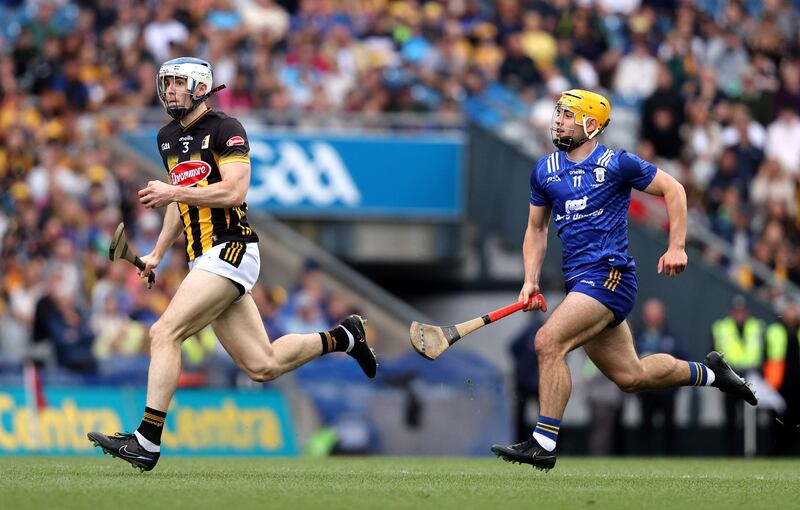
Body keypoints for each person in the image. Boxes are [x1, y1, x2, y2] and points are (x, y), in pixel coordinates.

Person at [87, 57, 377, 472]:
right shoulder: (167, 136)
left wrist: (173, 192)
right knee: (263, 365)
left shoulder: (226, 129)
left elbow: (234, 191)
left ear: (200, 87)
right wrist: (157, 252)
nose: (169, 91)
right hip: (204, 257)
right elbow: (181, 196)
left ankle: (146, 441)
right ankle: (344, 338)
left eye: (177, 84)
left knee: (163, 332)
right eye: (165, 84)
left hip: (231, 249)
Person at [490, 89, 757, 471]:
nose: (558, 120)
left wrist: (677, 245)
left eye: (568, 115)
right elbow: (536, 229)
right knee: (632, 376)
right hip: (579, 283)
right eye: (559, 113)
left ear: (591, 125)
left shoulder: (617, 163)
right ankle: (714, 374)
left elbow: (674, 189)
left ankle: (544, 442)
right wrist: (530, 279)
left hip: (610, 276)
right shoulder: (544, 170)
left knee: (548, 341)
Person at [711, 295, 764, 455]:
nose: (739, 315)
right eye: (736, 311)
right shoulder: (721, 327)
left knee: (753, 417)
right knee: (730, 418)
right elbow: (713, 354)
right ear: (731, 312)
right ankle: (731, 452)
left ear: (746, 312)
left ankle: (752, 451)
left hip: (752, 377)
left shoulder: (756, 326)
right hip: (730, 377)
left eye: (742, 311)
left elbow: (764, 353)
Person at [634, 298, 688, 455]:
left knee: (669, 425)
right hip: (646, 390)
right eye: (649, 314)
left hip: (667, 389)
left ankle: (671, 455)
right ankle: (645, 455)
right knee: (645, 425)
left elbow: (683, 358)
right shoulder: (637, 336)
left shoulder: (672, 336)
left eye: (655, 314)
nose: (652, 318)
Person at [764, 300, 800, 456]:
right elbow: (766, 356)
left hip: (798, 382)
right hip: (778, 383)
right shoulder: (774, 330)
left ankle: (794, 450)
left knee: (796, 416)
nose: (791, 315)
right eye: (789, 311)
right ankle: (777, 450)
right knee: (777, 418)